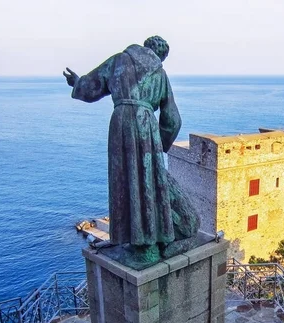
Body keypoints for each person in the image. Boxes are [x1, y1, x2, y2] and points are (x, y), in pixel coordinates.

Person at [63, 36, 199, 259]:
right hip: (148, 129)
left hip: (121, 124)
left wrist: (77, 83)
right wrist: (158, 149)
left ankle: (134, 241)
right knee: (148, 183)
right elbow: (173, 120)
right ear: (160, 56)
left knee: (124, 179)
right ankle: (151, 241)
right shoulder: (161, 75)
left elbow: (91, 87)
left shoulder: (119, 61)